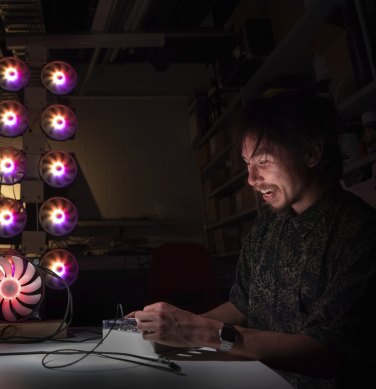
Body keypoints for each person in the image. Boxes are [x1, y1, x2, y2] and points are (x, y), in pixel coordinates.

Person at [128, 90, 376, 388]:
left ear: (311, 153)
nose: (251, 179)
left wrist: (203, 332)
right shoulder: (268, 225)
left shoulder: (359, 232)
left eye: (264, 162)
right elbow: (241, 307)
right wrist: (175, 325)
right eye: (247, 164)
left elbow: (327, 354)